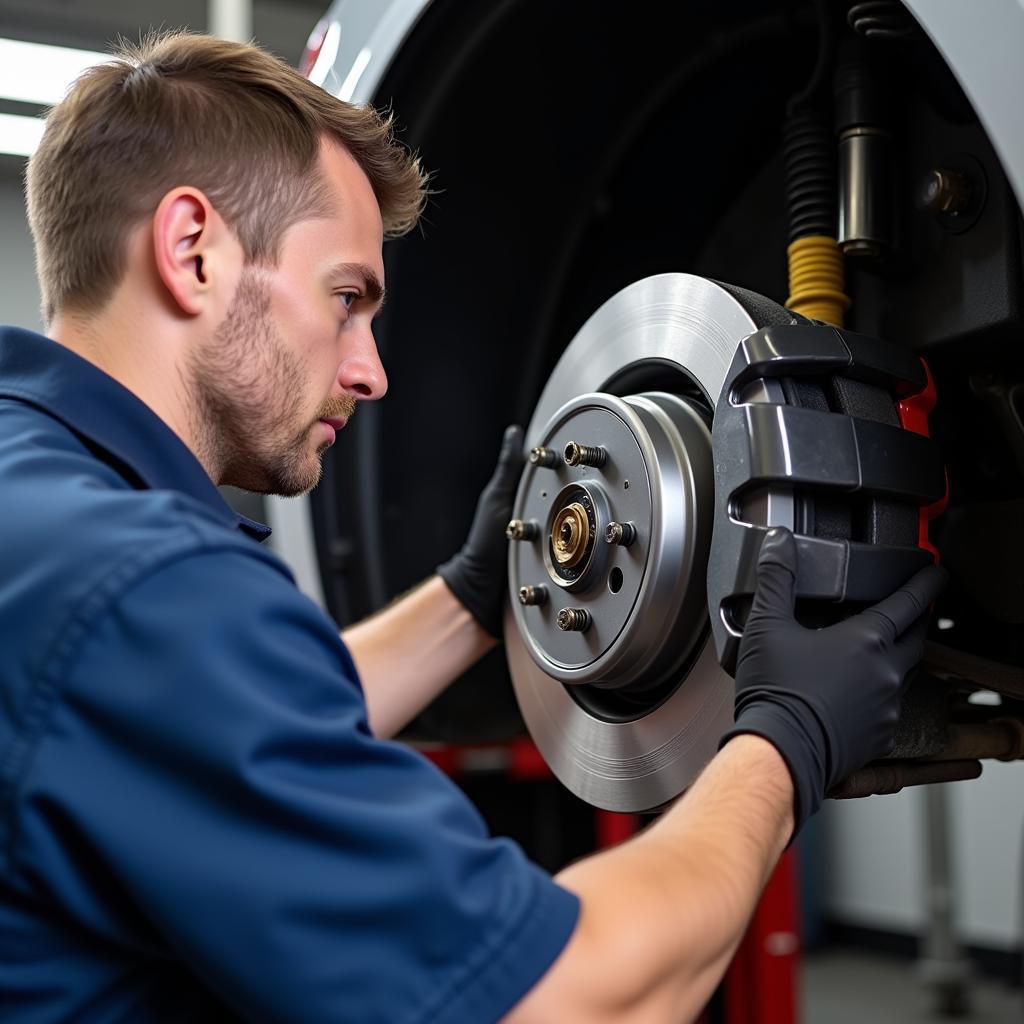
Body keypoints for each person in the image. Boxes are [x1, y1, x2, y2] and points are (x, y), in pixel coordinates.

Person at [0, 31, 945, 1023]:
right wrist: (783, 743)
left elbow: (210, 727)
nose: (371, 371)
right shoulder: (144, 590)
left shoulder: (51, 515)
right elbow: (565, 1001)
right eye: (347, 298)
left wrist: (468, 597)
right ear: (193, 250)